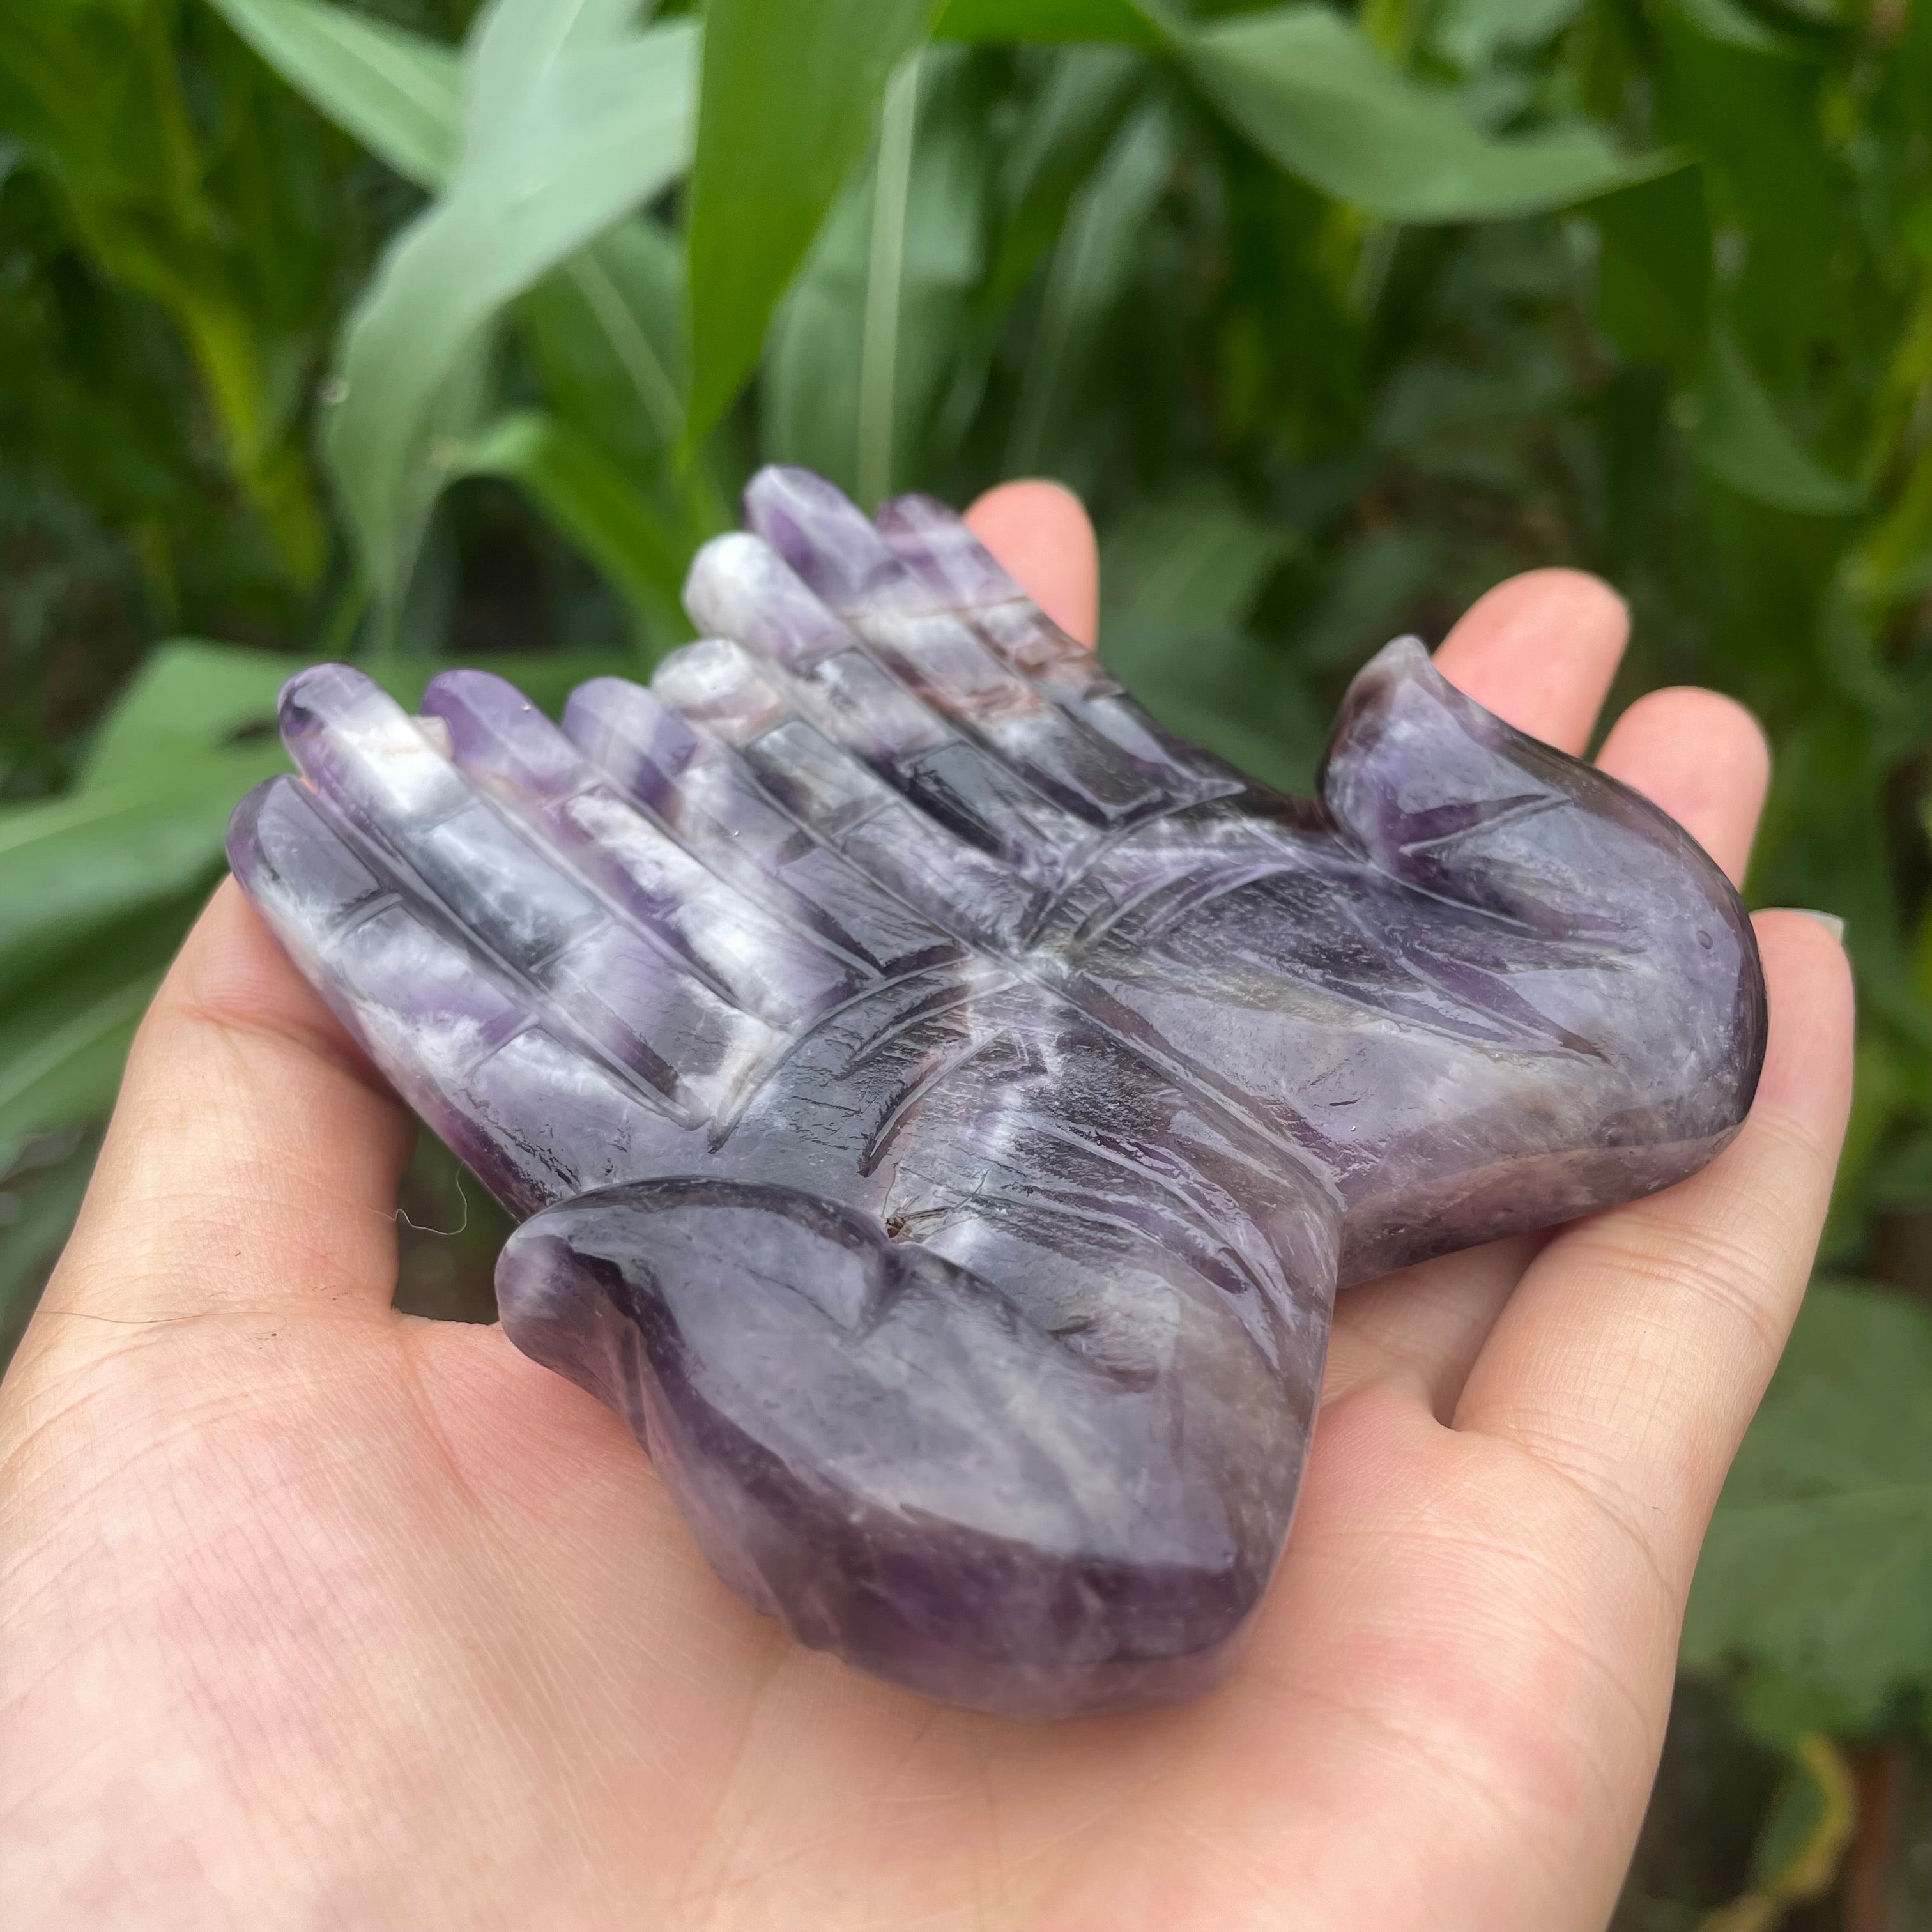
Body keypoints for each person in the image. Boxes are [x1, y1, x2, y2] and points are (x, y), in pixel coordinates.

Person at [0, 482, 1851, 1932]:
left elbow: (1037, 1491)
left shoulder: (1138, 1455)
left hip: (934, 1094)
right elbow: (1016, 1491)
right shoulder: (1565, 1052)